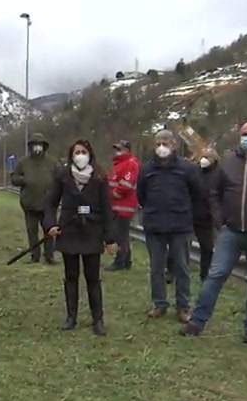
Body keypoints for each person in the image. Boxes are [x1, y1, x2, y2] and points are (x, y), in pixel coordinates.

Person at [181, 122, 247, 343]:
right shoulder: (227, 162)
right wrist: (220, 221)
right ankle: (197, 321)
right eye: (244, 134)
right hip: (231, 231)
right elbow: (214, 193)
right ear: (239, 137)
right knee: (215, 276)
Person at [44, 139, 117, 336]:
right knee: (71, 276)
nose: (80, 155)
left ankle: (98, 319)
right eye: (76, 152)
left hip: (92, 232)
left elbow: (108, 208)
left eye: (83, 151)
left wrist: (110, 238)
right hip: (69, 231)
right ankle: (71, 317)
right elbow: (51, 203)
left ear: (90, 154)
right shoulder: (62, 175)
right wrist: (51, 224)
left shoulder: (100, 177)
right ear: (71, 155)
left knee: (93, 277)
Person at [136, 130, 207, 323]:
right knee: (156, 267)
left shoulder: (187, 169)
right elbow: (140, 195)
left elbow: (198, 193)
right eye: (158, 142)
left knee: (182, 267)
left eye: (165, 143)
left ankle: (183, 307)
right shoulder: (146, 169)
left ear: (174, 145)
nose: (162, 147)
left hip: (180, 226)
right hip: (154, 225)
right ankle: (159, 304)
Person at [10, 133, 58, 264]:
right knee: (32, 231)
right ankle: (34, 255)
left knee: (49, 231)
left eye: (40, 144)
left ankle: (49, 256)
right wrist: (24, 180)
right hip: (30, 203)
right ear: (30, 146)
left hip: (48, 203)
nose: (37, 147)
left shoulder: (53, 162)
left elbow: (60, 178)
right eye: (35, 144)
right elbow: (14, 178)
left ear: (44, 146)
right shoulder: (23, 162)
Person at [106, 139, 140, 271]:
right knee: (122, 235)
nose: (116, 152)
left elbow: (126, 185)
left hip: (123, 206)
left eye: (119, 149)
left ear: (127, 150)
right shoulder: (119, 164)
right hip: (116, 205)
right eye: (116, 149)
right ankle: (126, 260)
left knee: (119, 235)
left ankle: (120, 260)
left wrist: (112, 194)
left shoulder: (130, 164)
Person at [195, 148, 223, 281]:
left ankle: (205, 274)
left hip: (207, 217)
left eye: (207, 157)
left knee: (207, 248)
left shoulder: (219, 175)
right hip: (192, 214)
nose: (204, 160)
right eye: (203, 156)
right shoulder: (196, 172)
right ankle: (172, 270)